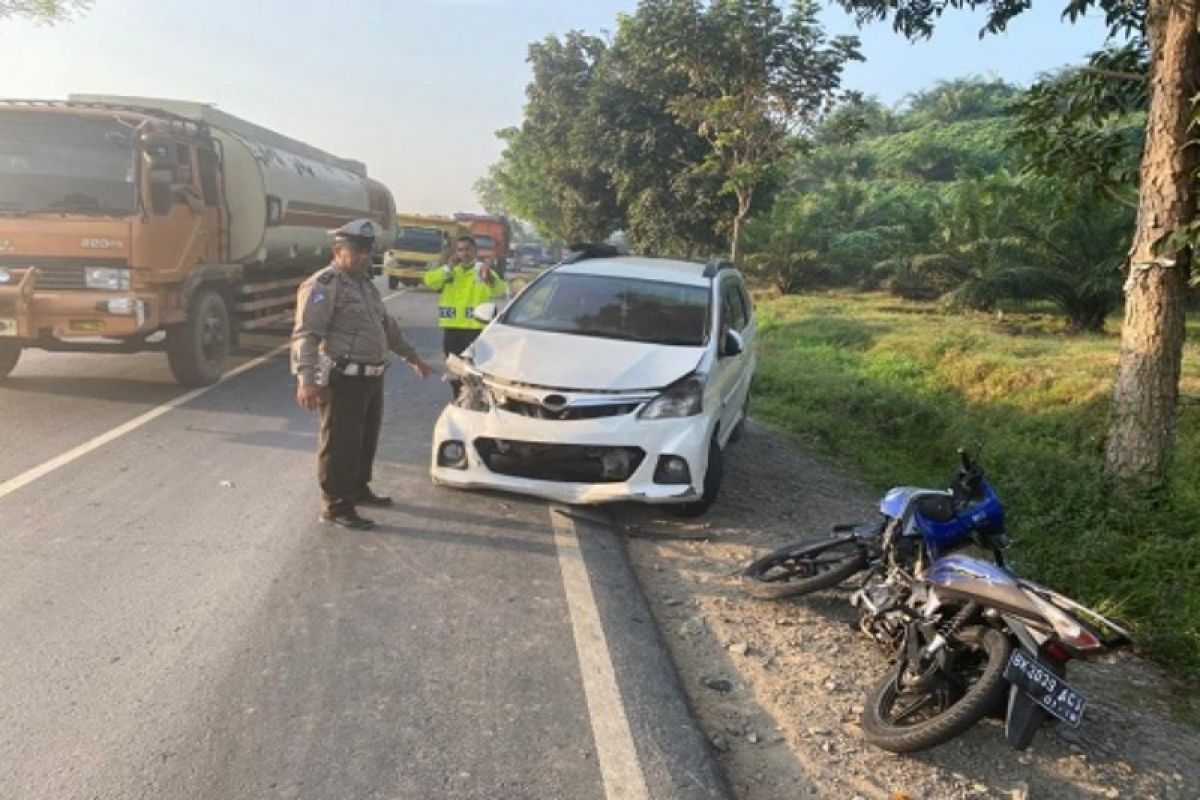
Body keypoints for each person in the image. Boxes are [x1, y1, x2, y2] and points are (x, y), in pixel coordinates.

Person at [292, 219, 433, 530]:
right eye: (356, 252)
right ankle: (336, 503)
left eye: (368, 252)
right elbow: (306, 335)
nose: (364, 257)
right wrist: (307, 380)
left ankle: (357, 488)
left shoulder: (365, 286)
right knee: (340, 442)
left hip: (371, 376)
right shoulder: (323, 285)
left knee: (365, 439)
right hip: (343, 378)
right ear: (337, 250)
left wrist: (413, 357)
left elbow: (387, 326)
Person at [423, 235, 508, 396]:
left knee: (474, 371)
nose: (465, 253)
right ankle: (458, 397)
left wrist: (489, 279)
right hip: (452, 329)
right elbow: (429, 280)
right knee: (454, 370)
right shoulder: (449, 271)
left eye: (468, 249)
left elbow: (500, 289)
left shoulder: (482, 269)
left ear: (475, 251)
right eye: (460, 250)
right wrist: (447, 269)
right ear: (456, 252)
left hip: (474, 330)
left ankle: (475, 398)